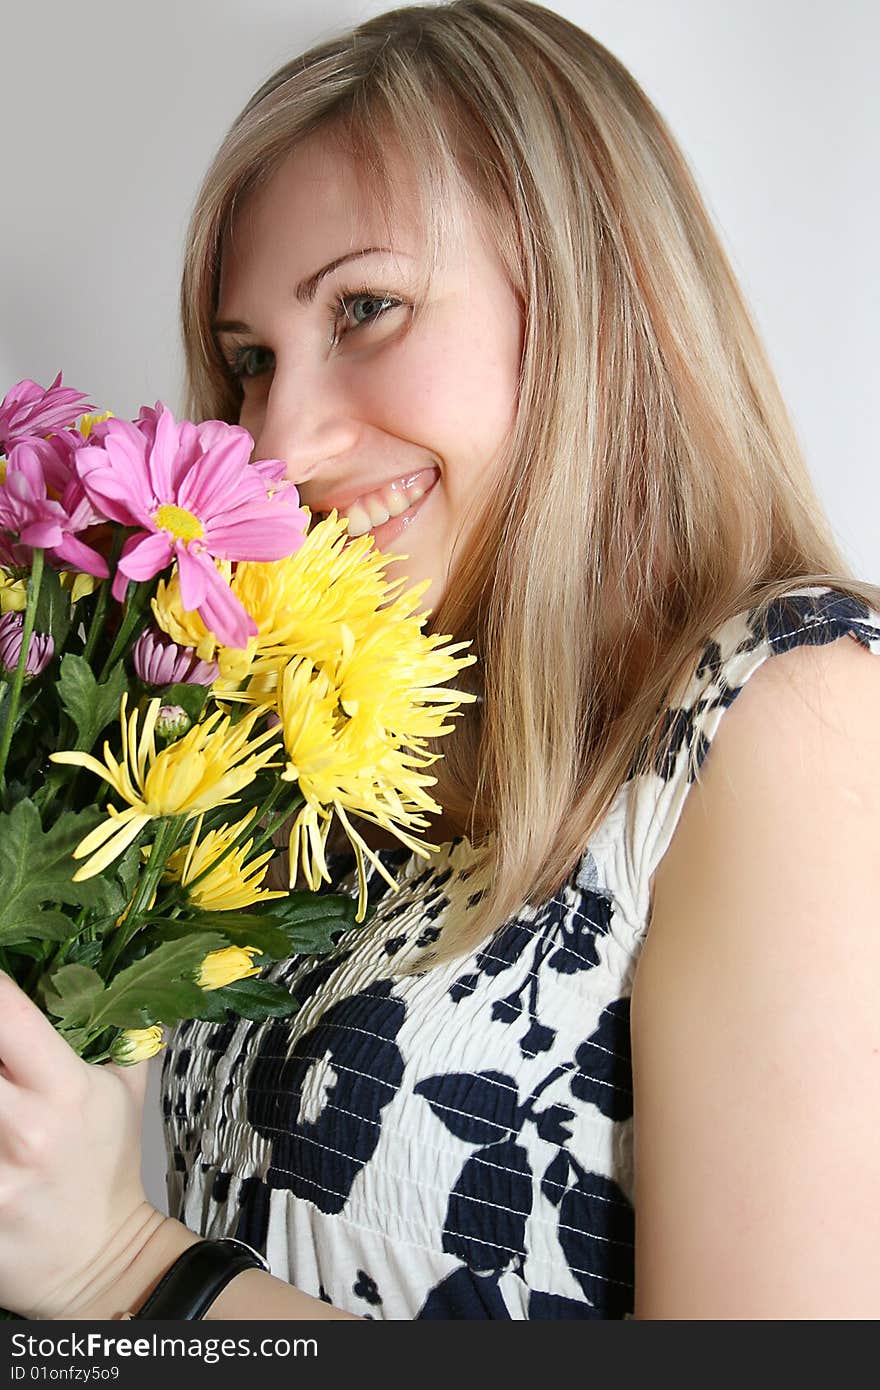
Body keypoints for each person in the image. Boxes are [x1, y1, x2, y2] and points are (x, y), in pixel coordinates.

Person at [0, 0, 878, 1321]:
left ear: (595, 298)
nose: (277, 445)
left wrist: (131, 1270)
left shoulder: (791, 710)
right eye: (250, 361)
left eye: (366, 307)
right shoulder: (314, 772)